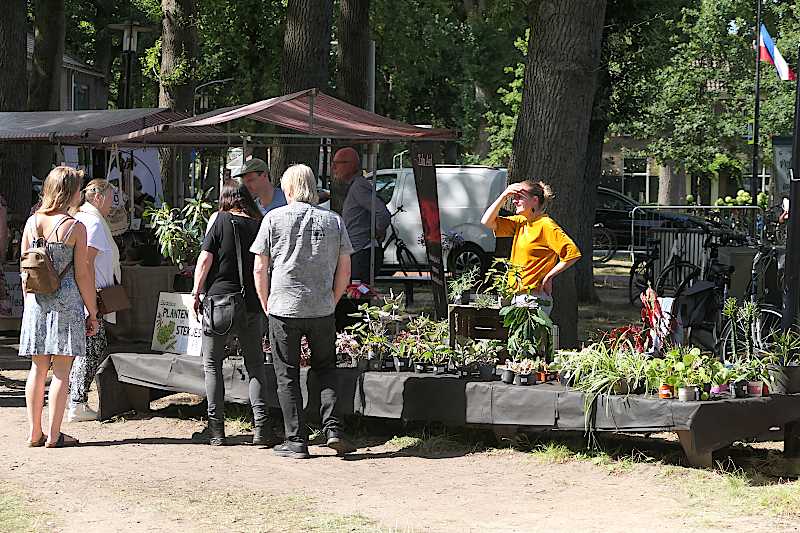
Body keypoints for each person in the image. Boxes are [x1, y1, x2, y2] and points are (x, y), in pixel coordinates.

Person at [251, 164, 355, 459]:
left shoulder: (273, 218)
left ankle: (296, 440)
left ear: (290, 189)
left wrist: (266, 302)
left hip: (284, 307)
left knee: (287, 374)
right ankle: (333, 429)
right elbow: (345, 268)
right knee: (326, 369)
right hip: (321, 307)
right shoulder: (334, 220)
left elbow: (260, 266)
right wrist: (333, 300)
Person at [191, 179, 279, 447]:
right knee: (255, 366)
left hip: (220, 300)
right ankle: (262, 429)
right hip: (251, 302)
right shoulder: (259, 223)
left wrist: (196, 291)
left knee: (212, 365)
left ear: (226, 198)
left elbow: (206, 259)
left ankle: (216, 430)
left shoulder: (220, 220)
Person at [19, 166, 99, 448]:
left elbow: (24, 269)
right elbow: (82, 274)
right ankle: (54, 435)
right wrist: (93, 311)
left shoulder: (31, 223)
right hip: (66, 303)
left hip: (36, 302)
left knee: (37, 370)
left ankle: (33, 432)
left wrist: (30, 301)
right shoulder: (76, 227)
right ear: (70, 192)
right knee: (62, 372)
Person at [481, 180, 581, 315]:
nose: (514, 201)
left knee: (531, 337)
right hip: (517, 296)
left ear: (535, 200)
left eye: (519, 197)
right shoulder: (521, 222)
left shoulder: (546, 225)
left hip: (534, 298)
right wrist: (504, 195)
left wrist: (548, 277)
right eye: (513, 197)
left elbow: (572, 253)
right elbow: (486, 221)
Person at [67, 179, 121, 422]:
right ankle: (77, 401)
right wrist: (91, 305)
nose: (112, 204)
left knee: (86, 347)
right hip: (92, 293)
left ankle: (74, 398)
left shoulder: (82, 217)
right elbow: (86, 263)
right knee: (91, 347)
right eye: (110, 198)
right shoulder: (95, 222)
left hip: (85, 291)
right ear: (98, 197)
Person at [332, 147, 391, 282]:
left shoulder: (359, 186)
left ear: (351, 165)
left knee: (357, 296)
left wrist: (377, 231)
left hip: (362, 253)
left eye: (338, 163)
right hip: (358, 251)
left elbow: (382, 213)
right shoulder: (355, 186)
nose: (334, 167)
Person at [206, 158, 287, 234]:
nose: (247, 186)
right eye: (244, 182)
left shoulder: (287, 199)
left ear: (264, 175)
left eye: (251, 180)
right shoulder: (250, 208)